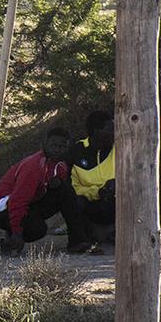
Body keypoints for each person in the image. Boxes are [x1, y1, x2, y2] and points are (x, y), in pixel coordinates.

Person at [0, 127, 73, 256]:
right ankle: (12, 236)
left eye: (61, 147)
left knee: (64, 191)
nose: (57, 150)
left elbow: (59, 179)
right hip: (3, 209)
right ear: (45, 144)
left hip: (30, 202)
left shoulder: (60, 165)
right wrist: (17, 231)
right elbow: (18, 200)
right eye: (54, 145)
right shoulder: (33, 167)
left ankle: (78, 240)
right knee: (37, 229)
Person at [65, 109, 116, 254]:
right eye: (110, 129)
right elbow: (71, 187)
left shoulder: (120, 148)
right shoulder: (76, 151)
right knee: (74, 201)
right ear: (96, 131)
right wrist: (97, 191)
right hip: (90, 204)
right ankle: (80, 241)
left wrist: (116, 184)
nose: (114, 133)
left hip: (115, 202)